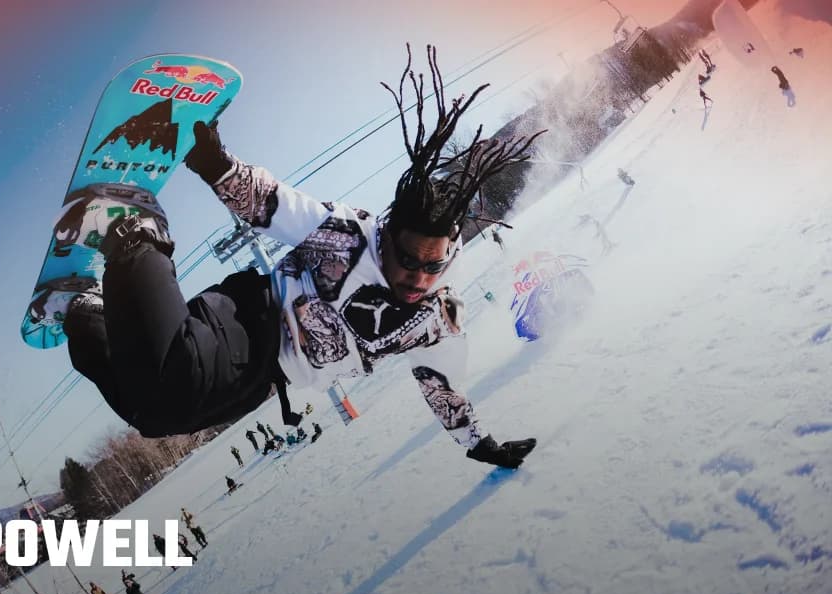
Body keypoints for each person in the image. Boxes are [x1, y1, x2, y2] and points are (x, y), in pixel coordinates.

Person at [58, 44, 537, 469]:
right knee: (176, 382)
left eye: (433, 267)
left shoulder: (435, 323)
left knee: (156, 417)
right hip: (254, 317)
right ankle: (135, 234)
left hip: (272, 375)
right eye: (408, 261)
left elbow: (443, 387)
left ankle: (85, 314)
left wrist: (481, 444)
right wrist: (215, 164)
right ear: (388, 240)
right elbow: (274, 205)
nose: (417, 277)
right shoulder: (349, 236)